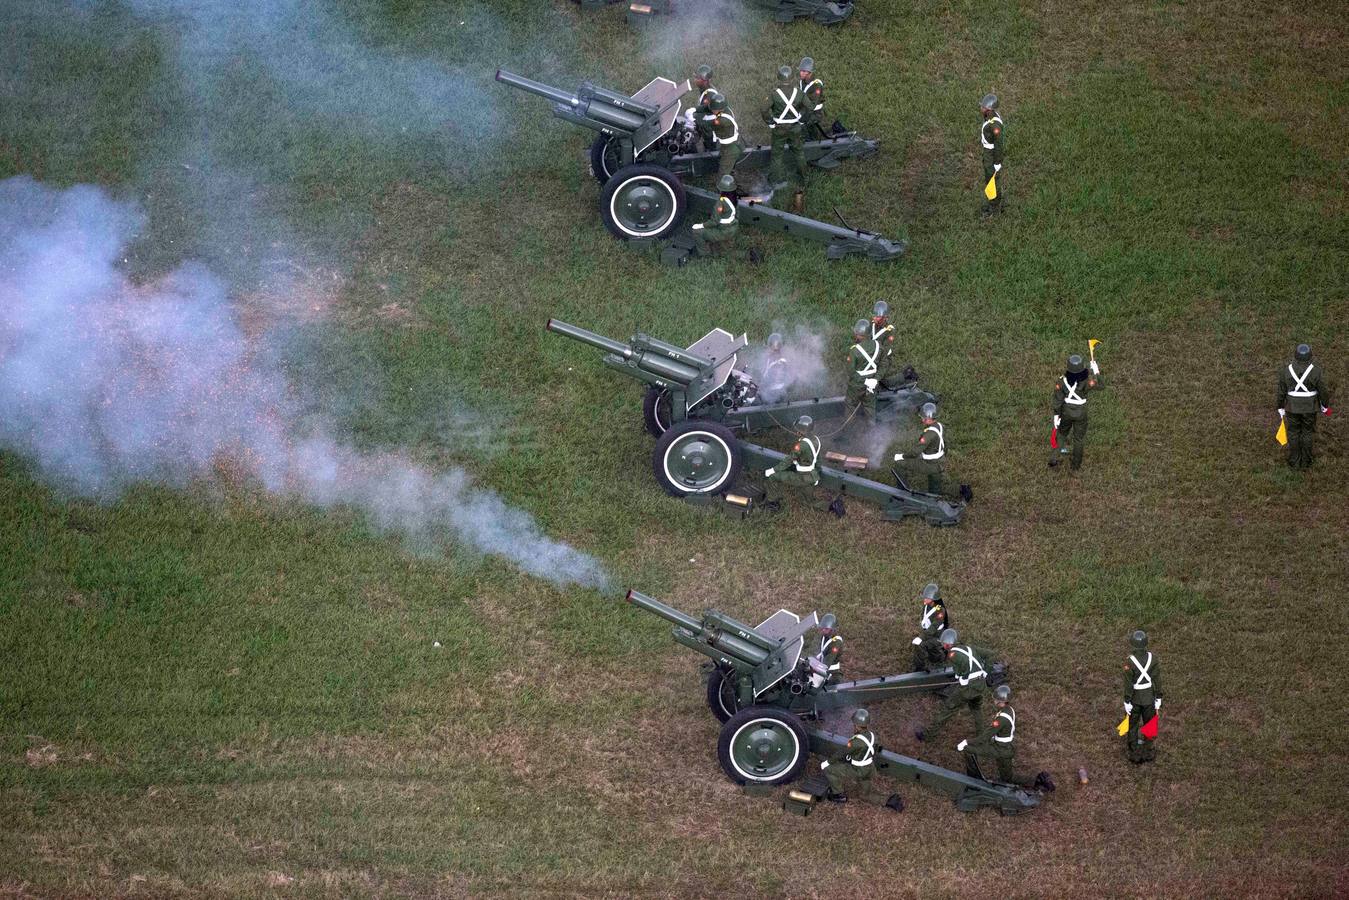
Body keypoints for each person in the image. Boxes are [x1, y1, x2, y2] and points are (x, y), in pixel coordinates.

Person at [959, 685, 1055, 792]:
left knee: (968, 749)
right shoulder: (1009, 710)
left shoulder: (1001, 719)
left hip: (1001, 749)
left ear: (1000, 701)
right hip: (1005, 746)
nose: (994, 700)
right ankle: (1037, 780)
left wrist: (967, 742)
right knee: (1006, 776)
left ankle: (1037, 781)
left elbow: (985, 736)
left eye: (996, 699)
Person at [918, 629, 993, 743]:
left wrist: (963, 678)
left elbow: (960, 674)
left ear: (947, 644)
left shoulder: (952, 655)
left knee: (948, 709)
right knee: (976, 709)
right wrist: (986, 672)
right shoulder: (970, 648)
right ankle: (982, 735)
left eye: (943, 644)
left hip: (968, 688)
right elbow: (990, 655)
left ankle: (929, 736)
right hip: (980, 685)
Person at [821, 709, 902, 811]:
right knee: (865, 795)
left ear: (856, 725)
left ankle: (838, 795)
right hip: (869, 769)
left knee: (829, 769)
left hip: (858, 770)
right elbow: (874, 749)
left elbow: (842, 753)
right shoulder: (872, 736)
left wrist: (827, 762)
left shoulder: (855, 742)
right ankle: (888, 801)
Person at [1277, 343, 1332, 469]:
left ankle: (1294, 461)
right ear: (1310, 356)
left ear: (1295, 356)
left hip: (1291, 407)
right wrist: (1324, 405)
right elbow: (1323, 391)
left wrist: (1280, 406)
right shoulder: (1316, 371)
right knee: (1307, 432)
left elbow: (1281, 391)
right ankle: (1306, 461)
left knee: (1293, 432)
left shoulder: (1286, 371)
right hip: (1310, 408)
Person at [762, 64, 807, 213]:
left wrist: (770, 122)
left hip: (779, 129)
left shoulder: (774, 94)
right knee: (799, 152)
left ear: (779, 78)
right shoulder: (799, 92)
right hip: (795, 128)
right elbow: (810, 106)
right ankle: (803, 177)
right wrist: (801, 119)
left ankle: (774, 181)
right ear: (792, 78)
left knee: (777, 156)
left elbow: (764, 109)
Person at [1050, 353, 1103, 471]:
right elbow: (1102, 385)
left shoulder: (1061, 381)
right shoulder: (1087, 380)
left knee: (1062, 434)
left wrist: (1056, 416)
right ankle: (1075, 466)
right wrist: (1096, 371)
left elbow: (1058, 400)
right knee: (1078, 439)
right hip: (1081, 413)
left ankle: (1054, 458)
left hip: (1066, 412)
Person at [762, 414, 821, 510]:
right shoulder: (816, 440)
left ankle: (771, 503)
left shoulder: (801, 445)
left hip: (802, 477)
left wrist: (773, 470)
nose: (796, 432)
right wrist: (816, 475)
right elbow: (818, 460)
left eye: (797, 430)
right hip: (812, 475)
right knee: (808, 502)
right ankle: (830, 506)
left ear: (800, 431)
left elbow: (788, 460)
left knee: (773, 477)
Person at [1123, 630, 1162, 764]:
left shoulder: (1130, 661)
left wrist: (1127, 700)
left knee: (1133, 725)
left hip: (1134, 699)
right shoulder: (1154, 659)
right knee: (1150, 724)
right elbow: (1157, 679)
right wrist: (1158, 697)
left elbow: (1128, 684)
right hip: (1149, 698)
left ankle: (1134, 752)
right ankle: (1148, 751)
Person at [893, 402, 945, 494]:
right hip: (939, 461)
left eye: (923, 418)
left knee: (899, 464)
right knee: (936, 488)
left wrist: (902, 456)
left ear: (929, 418)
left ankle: (902, 492)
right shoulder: (939, 426)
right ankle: (936, 492)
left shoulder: (929, 434)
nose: (922, 420)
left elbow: (915, 452)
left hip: (930, 464)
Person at [690, 174, 738, 257]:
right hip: (732, 229)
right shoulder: (734, 199)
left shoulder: (721, 203)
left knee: (696, 232)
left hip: (723, 232)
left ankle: (705, 254)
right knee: (725, 252)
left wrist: (700, 225)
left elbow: (714, 222)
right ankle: (747, 255)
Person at [909, 582, 949, 672]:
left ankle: (920, 668)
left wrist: (921, 637)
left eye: (927, 597)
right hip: (929, 633)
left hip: (938, 636)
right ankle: (936, 657)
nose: (924, 598)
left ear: (933, 599)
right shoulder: (926, 606)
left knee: (921, 645)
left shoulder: (940, 611)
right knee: (930, 653)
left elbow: (934, 627)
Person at [846, 318, 880, 422]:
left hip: (857, 385)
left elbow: (851, 372)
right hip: (872, 384)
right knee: (870, 408)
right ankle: (873, 434)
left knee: (850, 406)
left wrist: (864, 381)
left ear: (859, 334)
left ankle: (847, 434)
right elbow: (883, 364)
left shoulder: (854, 350)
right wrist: (875, 379)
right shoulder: (878, 346)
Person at [704, 92, 742, 179]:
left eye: (713, 109)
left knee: (722, 177)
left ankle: (724, 190)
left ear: (719, 110)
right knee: (727, 165)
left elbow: (707, 126)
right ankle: (731, 173)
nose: (712, 111)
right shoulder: (726, 110)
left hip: (731, 150)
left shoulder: (722, 121)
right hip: (731, 145)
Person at [979, 93, 1004, 217]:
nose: (981, 109)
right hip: (988, 153)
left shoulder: (995, 125)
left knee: (992, 181)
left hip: (991, 155)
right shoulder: (990, 117)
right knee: (990, 181)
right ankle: (993, 203)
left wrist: (997, 162)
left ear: (989, 110)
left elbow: (999, 144)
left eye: (983, 107)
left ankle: (994, 209)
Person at [807, 612, 843, 688]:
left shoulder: (836, 642)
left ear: (832, 630)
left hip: (832, 674)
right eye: (822, 628)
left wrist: (813, 668)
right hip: (823, 670)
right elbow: (822, 652)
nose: (823, 630)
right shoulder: (824, 637)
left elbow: (827, 663)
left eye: (826, 629)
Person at [691, 64, 718, 151]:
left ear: (705, 81)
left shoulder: (710, 95)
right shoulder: (704, 91)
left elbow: (709, 115)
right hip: (709, 134)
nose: (695, 80)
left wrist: (693, 117)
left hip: (714, 137)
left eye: (697, 78)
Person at [798, 56, 825, 135]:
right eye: (801, 71)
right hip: (805, 110)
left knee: (801, 127)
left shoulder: (817, 85)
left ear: (809, 72)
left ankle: (810, 141)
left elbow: (812, 106)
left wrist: (802, 120)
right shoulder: (802, 82)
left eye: (803, 71)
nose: (801, 73)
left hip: (815, 113)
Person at [760, 332, 791, 401]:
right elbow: (764, 373)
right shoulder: (769, 359)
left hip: (776, 394)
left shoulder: (781, 362)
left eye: (772, 347)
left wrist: (762, 386)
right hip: (769, 391)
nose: (769, 350)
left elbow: (775, 380)